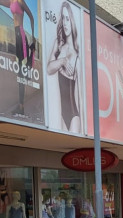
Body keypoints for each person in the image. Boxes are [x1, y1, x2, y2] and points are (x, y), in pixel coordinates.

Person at [0, 0, 36, 117]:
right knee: (19, 73)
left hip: (21, 37)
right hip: (15, 36)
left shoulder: (20, 1)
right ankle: (20, 106)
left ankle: (21, 107)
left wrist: (33, 37)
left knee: (21, 72)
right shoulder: (11, 2)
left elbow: (32, 18)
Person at [46, 0, 81, 132]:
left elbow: (81, 98)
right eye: (63, 18)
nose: (65, 23)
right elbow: (49, 69)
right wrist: (63, 61)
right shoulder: (59, 45)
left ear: (71, 20)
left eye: (68, 18)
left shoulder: (77, 56)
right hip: (61, 114)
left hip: (73, 116)